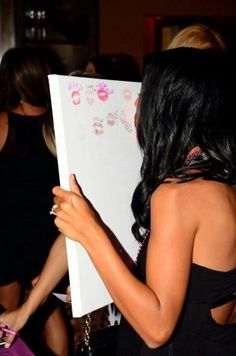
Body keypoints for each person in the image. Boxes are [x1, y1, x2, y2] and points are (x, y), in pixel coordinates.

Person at [50, 48, 236, 355]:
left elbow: (157, 328)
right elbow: (192, 288)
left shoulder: (178, 195)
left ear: (167, 108)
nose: (136, 103)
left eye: (145, 94)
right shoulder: (220, 178)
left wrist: (89, 231)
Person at [0, 46, 70, 355]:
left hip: (10, 231)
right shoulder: (60, 125)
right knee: (50, 309)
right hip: (52, 231)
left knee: (10, 309)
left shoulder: (3, 123)